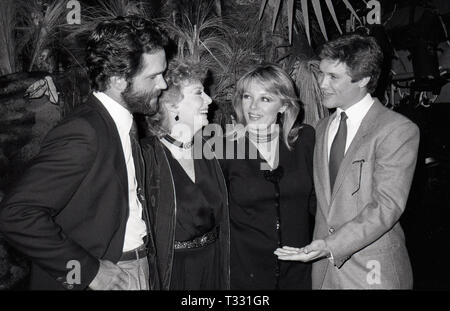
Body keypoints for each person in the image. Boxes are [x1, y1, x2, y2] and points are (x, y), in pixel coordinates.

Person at [0, 16, 168, 290]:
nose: (163, 84)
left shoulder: (120, 121)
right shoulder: (84, 131)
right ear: (118, 80)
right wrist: (87, 271)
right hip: (108, 274)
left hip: (135, 265)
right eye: (153, 76)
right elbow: (16, 214)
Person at [275, 34, 420, 289]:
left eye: (333, 77)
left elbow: (386, 207)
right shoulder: (320, 129)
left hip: (372, 272)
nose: (321, 83)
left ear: (363, 79)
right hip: (323, 273)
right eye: (321, 74)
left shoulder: (396, 129)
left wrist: (330, 246)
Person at [220, 63, 316, 289]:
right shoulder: (223, 146)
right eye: (247, 96)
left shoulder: (305, 140)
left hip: (298, 269)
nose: (252, 107)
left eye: (265, 99)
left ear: (284, 106)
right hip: (245, 273)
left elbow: (319, 201)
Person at [140, 58, 230, 290]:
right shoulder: (146, 156)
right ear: (171, 104)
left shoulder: (211, 149)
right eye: (199, 92)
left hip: (214, 266)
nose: (209, 100)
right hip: (173, 272)